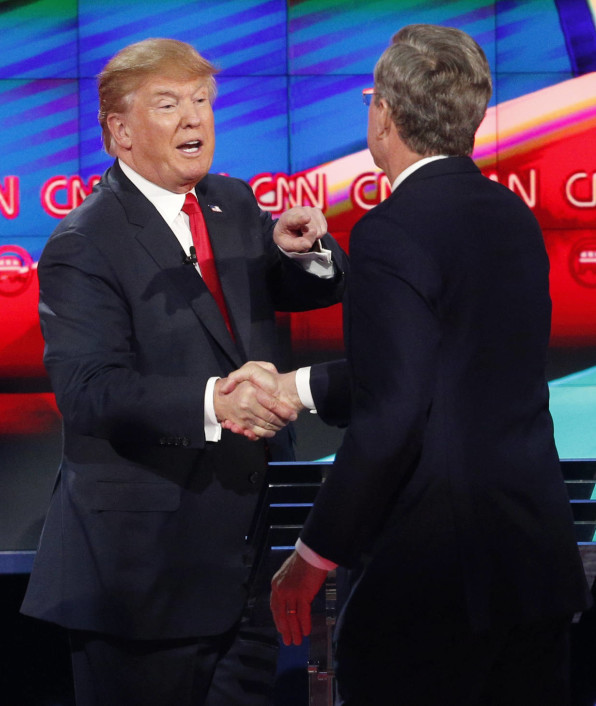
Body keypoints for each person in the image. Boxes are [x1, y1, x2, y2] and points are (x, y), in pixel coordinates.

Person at [223, 24, 592, 705]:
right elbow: (452, 370)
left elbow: (393, 414)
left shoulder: (391, 231)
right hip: (530, 565)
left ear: (384, 113)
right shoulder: (512, 217)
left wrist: (311, 556)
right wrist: (296, 387)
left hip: (433, 584)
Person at [20, 37, 347, 706]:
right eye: (169, 104)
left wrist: (309, 253)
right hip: (138, 583)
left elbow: (296, 290)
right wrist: (214, 404)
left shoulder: (231, 204)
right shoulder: (85, 242)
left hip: (239, 573)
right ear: (120, 132)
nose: (195, 119)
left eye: (202, 101)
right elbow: (90, 393)